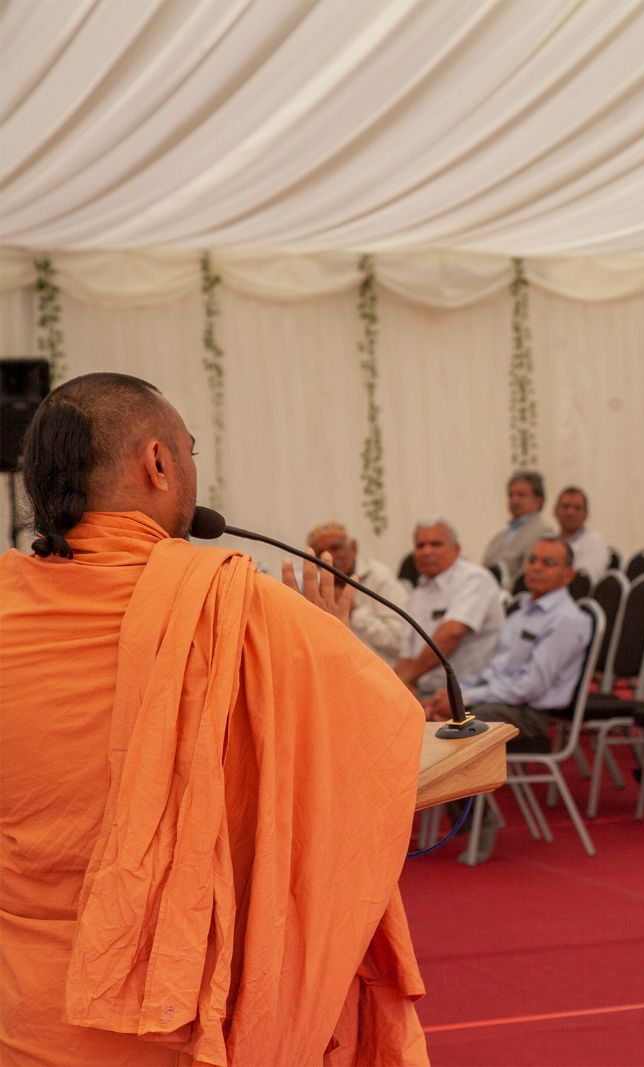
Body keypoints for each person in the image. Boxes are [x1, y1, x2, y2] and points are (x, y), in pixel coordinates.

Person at [0, 373, 426, 1065]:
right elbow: (383, 745)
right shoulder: (250, 612)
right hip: (176, 1023)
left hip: (26, 1016)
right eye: (189, 451)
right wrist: (323, 650)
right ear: (158, 462)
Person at [421, 536, 593, 864]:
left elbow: (530, 687)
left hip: (532, 714)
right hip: (503, 703)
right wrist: (453, 695)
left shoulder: (567, 619)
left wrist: (463, 702)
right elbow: (494, 670)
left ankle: (481, 821)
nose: (536, 568)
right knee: (437, 718)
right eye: (533, 560)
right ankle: (470, 820)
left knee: (457, 729)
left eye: (548, 563)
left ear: (568, 574)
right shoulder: (521, 610)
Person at [395, 518, 505, 694]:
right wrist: (400, 688)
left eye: (436, 544)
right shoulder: (418, 593)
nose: (427, 551)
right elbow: (406, 656)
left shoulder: (475, 579)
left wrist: (408, 679)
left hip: (471, 695)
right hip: (425, 694)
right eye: (420, 546)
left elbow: (451, 635)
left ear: (457, 549)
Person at [307, 519, 410, 664]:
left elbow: (399, 642)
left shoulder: (379, 577)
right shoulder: (311, 586)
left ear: (353, 548)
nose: (328, 557)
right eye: (320, 553)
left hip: (383, 671)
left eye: (335, 548)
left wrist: (353, 611)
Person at [481, 470, 552, 587]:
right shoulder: (498, 538)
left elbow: (531, 575)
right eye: (511, 495)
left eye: (521, 495)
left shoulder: (544, 534)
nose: (514, 500)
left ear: (539, 501)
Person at [553, 485, 610, 579]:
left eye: (577, 508)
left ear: (586, 514)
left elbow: (584, 579)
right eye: (565, 506)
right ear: (555, 511)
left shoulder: (595, 542)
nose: (570, 512)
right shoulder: (546, 540)